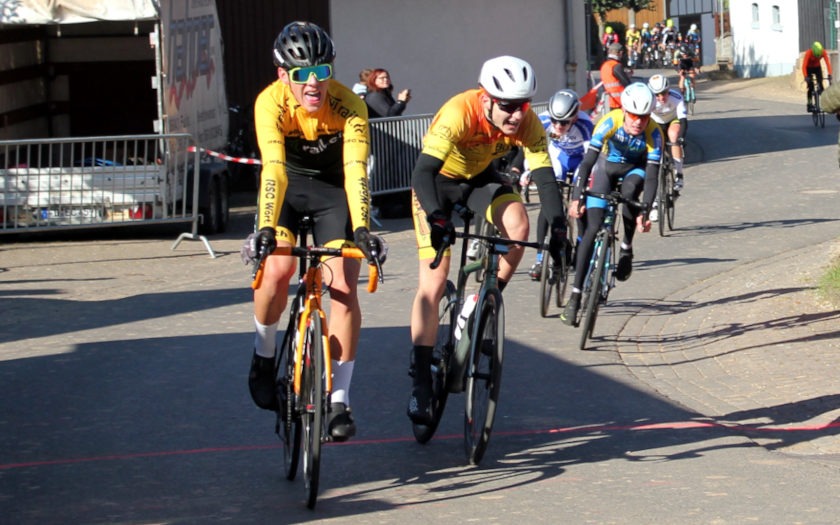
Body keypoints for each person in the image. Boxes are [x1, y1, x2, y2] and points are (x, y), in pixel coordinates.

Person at [406, 55, 567, 424]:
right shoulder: (458, 112)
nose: (516, 115)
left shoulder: (527, 123)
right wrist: (437, 218)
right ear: (486, 98)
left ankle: (480, 303)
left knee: (519, 226)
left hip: (478, 179)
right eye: (508, 106)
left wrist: (557, 227)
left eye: (523, 105)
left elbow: (544, 177)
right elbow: (422, 173)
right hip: (435, 186)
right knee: (433, 279)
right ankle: (420, 380)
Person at [246, 21, 382, 442]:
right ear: (282, 74)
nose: (313, 84)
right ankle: (264, 354)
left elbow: (355, 170)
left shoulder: (349, 106)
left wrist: (361, 227)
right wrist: (267, 227)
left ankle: (339, 398)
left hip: (332, 190)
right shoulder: (269, 104)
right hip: (286, 184)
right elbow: (272, 168)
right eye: (302, 74)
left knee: (343, 284)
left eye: (322, 73)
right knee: (278, 270)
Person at [561, 82, 663, 326]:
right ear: (625, 111)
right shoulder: (610, 121)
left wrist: (645, 211)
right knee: (592, 229)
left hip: (634, 172)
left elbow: (651, 176)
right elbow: (588, 162)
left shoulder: (654, 133)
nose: (639, 122)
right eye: (634, 116)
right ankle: (574, 298)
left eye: (645, 117)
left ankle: (626, 247)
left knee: (629, 194)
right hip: (606, 168)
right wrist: (577, 197)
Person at [525, 89, 594, 280]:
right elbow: (531, 148)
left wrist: (583, 187)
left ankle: (580, 248)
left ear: (574, 117)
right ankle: (540, 259)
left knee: (579, 206)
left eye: (563, 122)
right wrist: (526, 171)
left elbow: (590, 158)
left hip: (581, 159)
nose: (557, 125)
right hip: (559, 157)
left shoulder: (585, 124)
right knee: (547, 205)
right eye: (554, 120)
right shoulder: (543, 120)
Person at [600, 43, 633, 111]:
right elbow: (627, 84)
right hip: (621, 103)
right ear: (620, 53)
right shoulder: (616, 66)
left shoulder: (604, 66)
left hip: (610, 101)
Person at [802, 41, 833, 113]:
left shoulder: (823, 52)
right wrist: (806, 76)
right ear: (813, 52)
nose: (816, 57)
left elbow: (827, 63)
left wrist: (830, 74)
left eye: (818, 56)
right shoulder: (808, 53)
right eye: (815, 56)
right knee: (810, 87)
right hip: (808, 68)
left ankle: (823, 101)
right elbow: (804, 66)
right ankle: (809, 104)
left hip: (817, 67)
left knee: (821, 83)